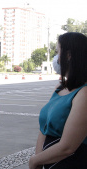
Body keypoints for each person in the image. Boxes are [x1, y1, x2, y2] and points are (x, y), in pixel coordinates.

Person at [29, 32, 87, 169]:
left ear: (69, 55)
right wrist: (39, 158)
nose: (56, 59)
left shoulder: (84, 93)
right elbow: (44, 128)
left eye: (57, 52)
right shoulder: (60, 88)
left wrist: (35, 161)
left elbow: (67, 147)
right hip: (49, 163)